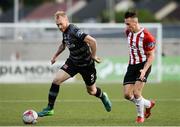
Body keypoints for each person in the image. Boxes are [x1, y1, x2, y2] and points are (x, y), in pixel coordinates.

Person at [38, 11, 112, 117]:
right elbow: (63, 45)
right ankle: (50, 108)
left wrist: (94, 56)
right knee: (56, 81)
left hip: (87, 65)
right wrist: (55, 56)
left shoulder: (74, 30)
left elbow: (93, 41)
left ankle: (103, 96)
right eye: (57, 25)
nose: (59, 27)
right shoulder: (64, 31)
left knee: (92, 91)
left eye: (61, 24)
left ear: (66, 20)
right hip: (73, 62)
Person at [123, 11, 155, 123]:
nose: (126, 26)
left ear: (135, 22)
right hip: (132, 65)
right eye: (125, 23)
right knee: (127, 95)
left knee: (136, 93)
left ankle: (140, 116)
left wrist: (144, 71)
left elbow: (151, 56)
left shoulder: (147, 37)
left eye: (128, 24)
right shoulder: (128, 32)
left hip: (143, 65)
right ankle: (148, 104)